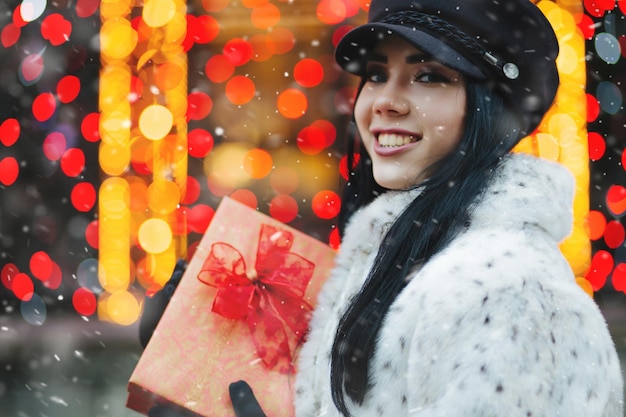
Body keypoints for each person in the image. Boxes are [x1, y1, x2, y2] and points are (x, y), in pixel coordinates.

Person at [141, 0, 624, 416]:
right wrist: (193, 352)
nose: (385, 102)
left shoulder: (506, 291)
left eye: (428, 76)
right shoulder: (401, 265)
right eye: (376, 75)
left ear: (490, 111)